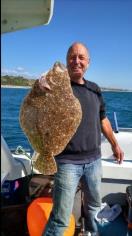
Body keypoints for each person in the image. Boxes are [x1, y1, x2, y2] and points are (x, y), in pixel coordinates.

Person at [42, 42, 124, 236]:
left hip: (94, 161)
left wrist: (115, 144)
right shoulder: (56, 88)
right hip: (67, 162)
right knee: (60, 219)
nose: (76, 61)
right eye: (72, 57)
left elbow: (102, 118)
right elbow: (42, 112)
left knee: (95, 210)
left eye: (81, 57)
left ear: (88, 62)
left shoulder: (95, 89)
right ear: (66, 61)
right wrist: (41, 88)